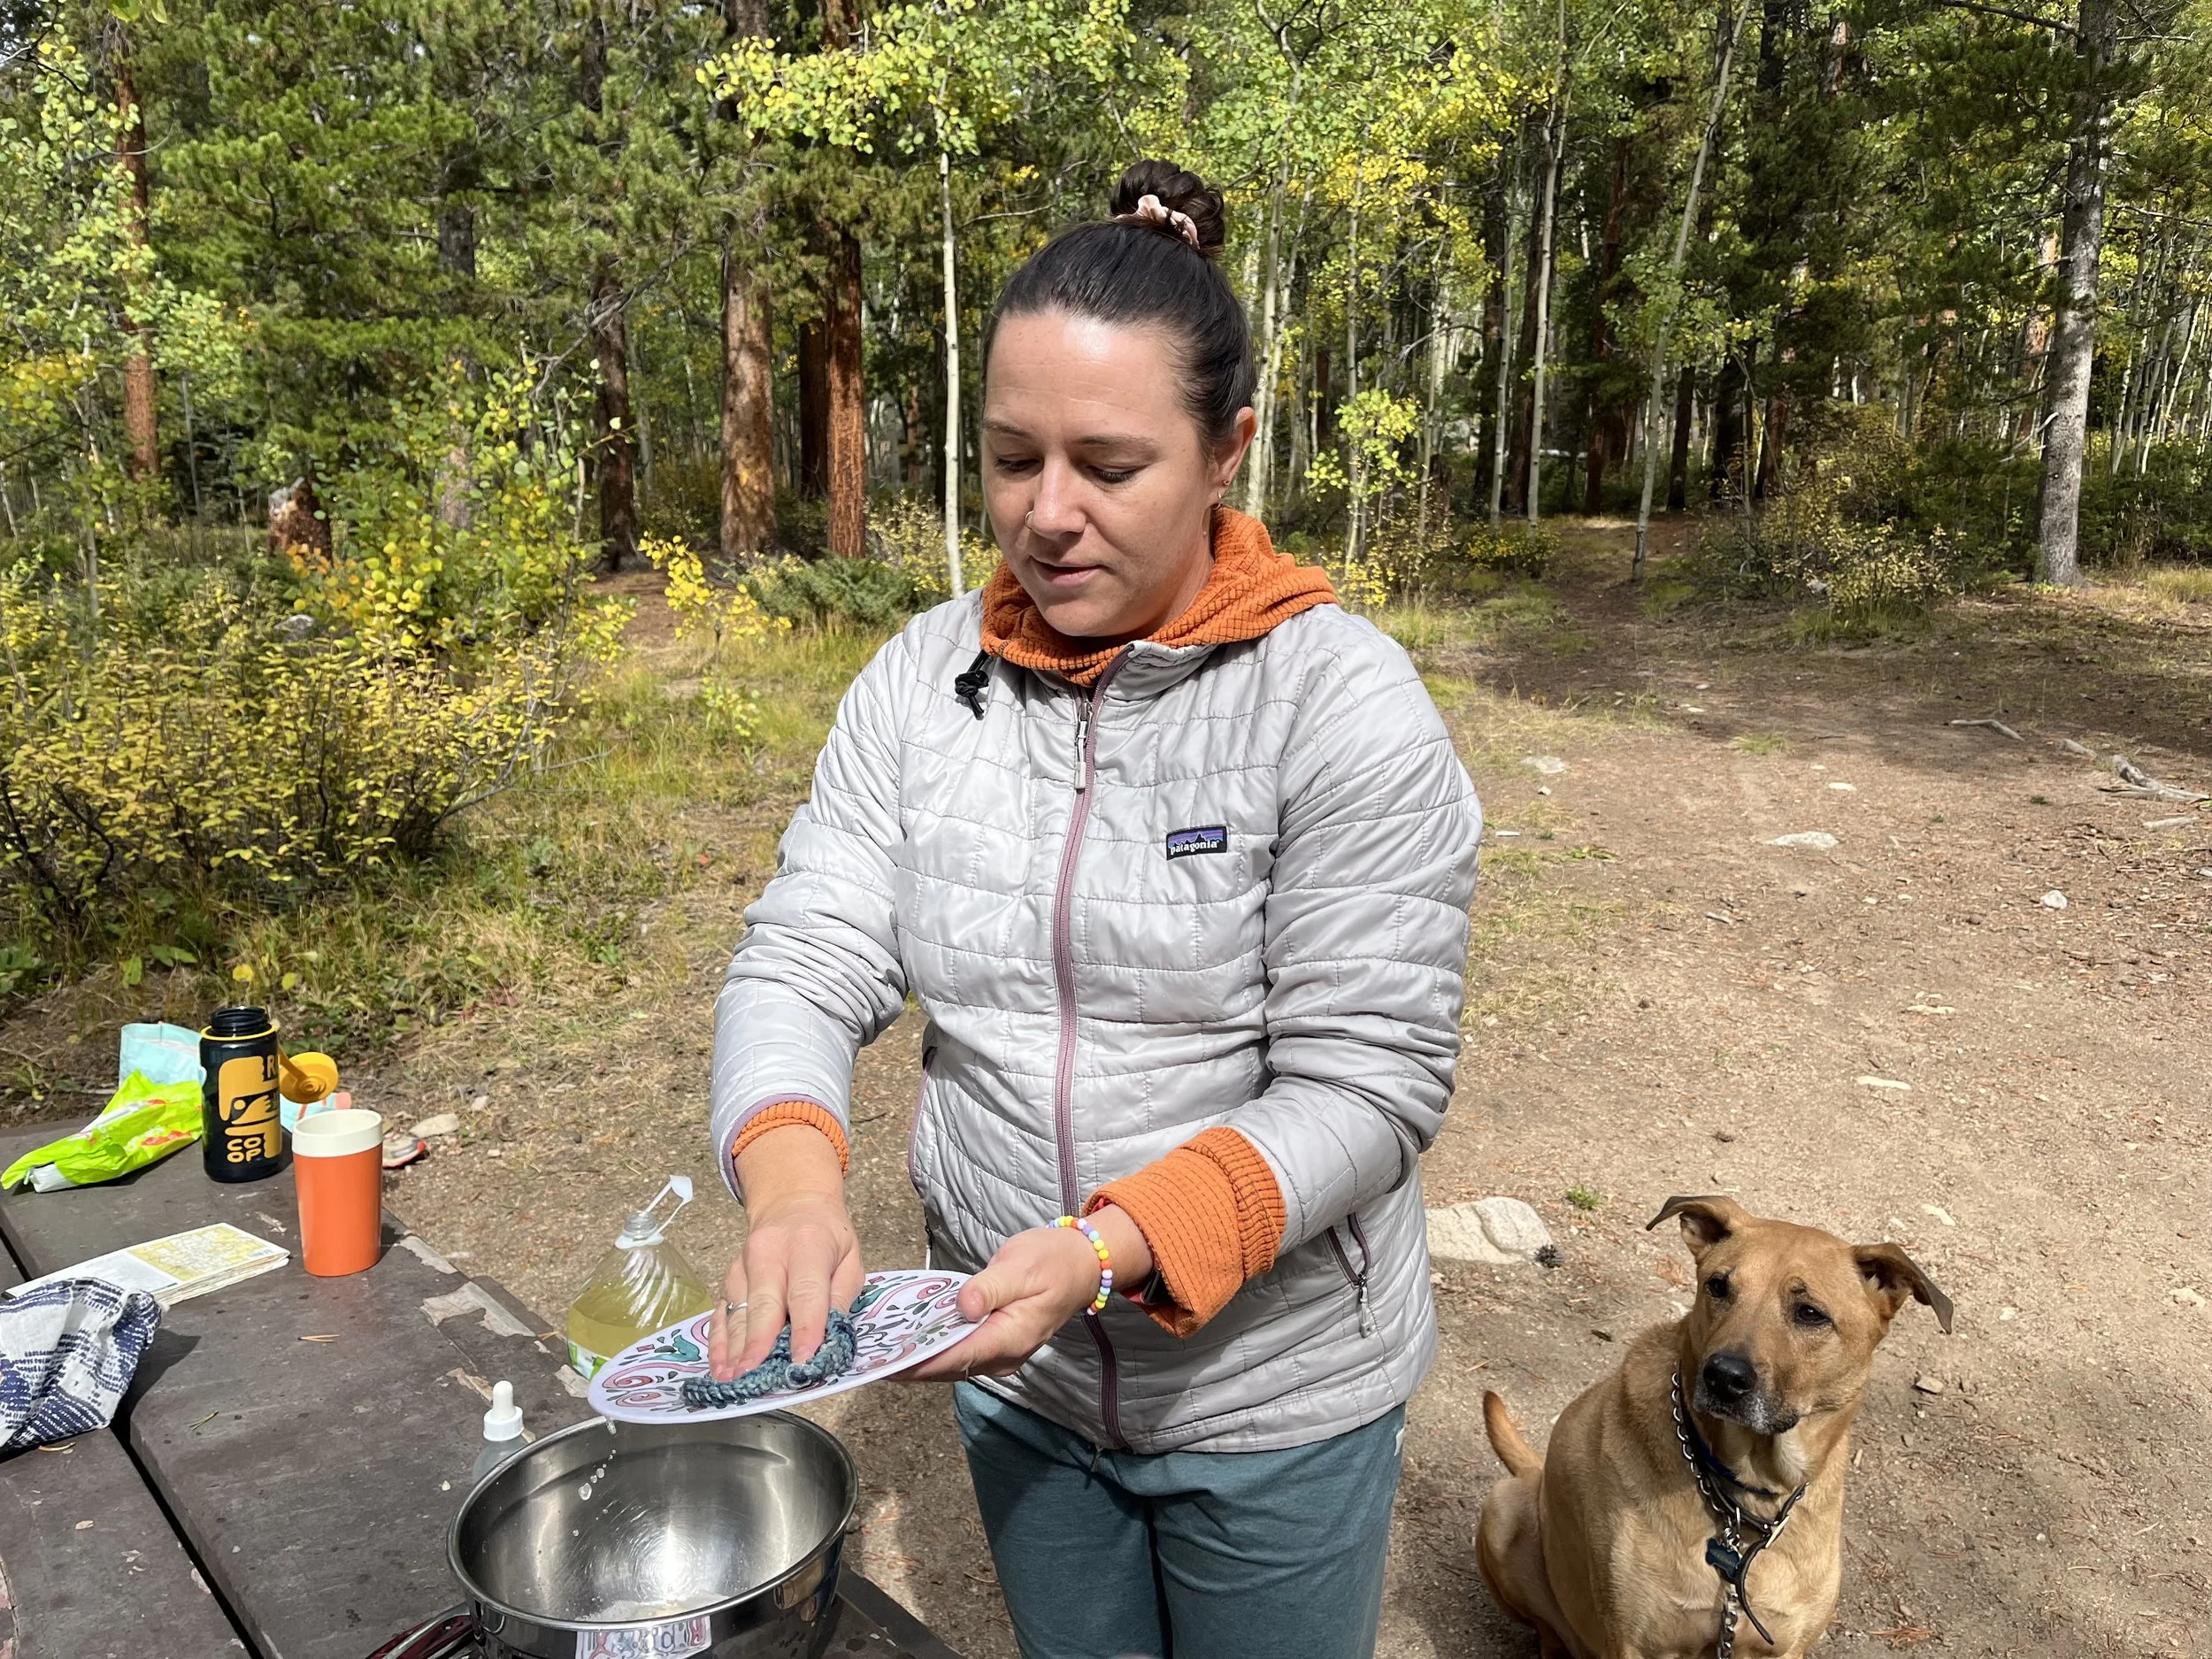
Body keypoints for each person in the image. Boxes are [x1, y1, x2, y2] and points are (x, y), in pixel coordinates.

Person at [704, 158, 1482, 1659]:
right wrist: (794, 1181)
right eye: (1010, 458)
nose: (1046, 516)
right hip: (1023, 1381)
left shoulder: (1340, 706)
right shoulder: (922, 688)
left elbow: (1369, 1083)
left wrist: (1111, 1246)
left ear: (1226, 451)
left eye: (1109, 467)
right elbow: (804, 952)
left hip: (1272, 1398)